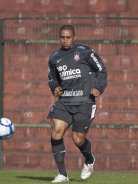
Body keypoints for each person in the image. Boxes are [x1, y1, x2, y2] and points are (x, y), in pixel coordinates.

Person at [47, 25, 108, 183]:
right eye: (62, 37)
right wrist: (55, 88)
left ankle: (89, 159)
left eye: (68, 37)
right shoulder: (54, 58)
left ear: (74, 37)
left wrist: (98, 87)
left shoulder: (85, 52)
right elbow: (52, 78)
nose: (65, 40)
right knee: (56, 132)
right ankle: (62, 174)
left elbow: (101, 70)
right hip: (65, 101)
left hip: (84, 102)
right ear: (59, 37)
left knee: (78, 139)